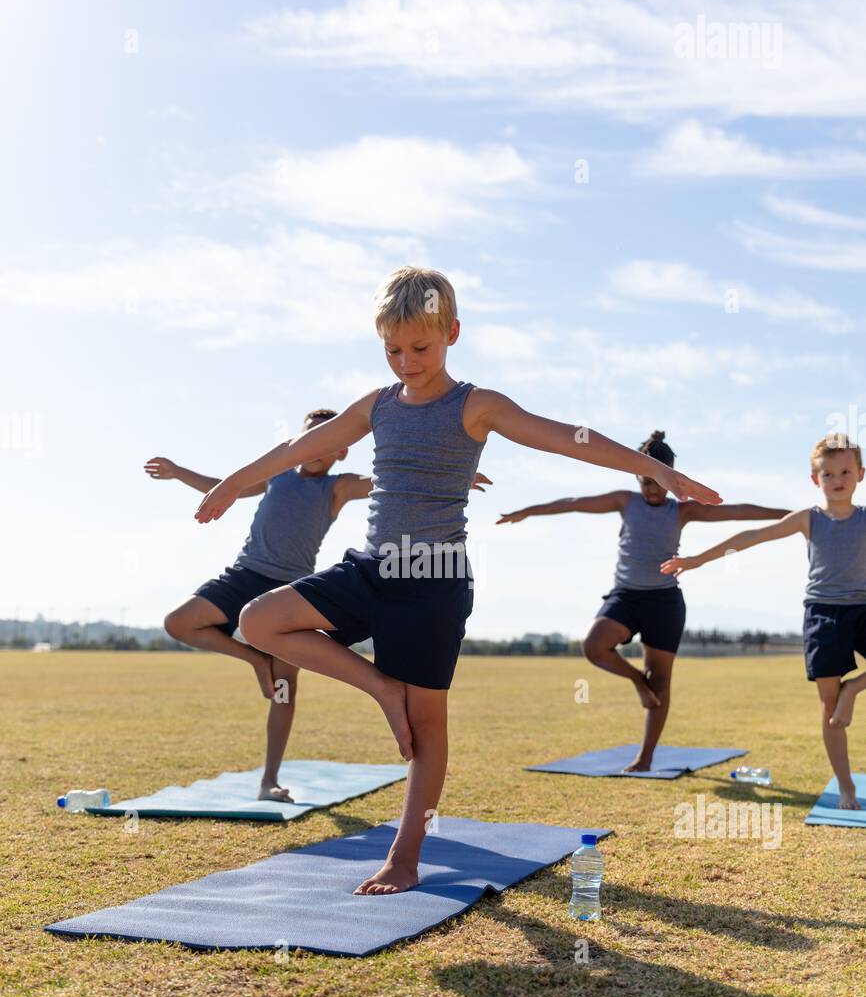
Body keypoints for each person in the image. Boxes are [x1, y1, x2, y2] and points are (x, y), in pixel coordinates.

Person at [195, 267, 720, 892]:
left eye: (420, 347)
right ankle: (380, 689)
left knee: (428, 726)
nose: (406, 361)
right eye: (393, 349)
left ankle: (405, 856)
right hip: (373, 567)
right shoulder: (377, 406)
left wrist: (663, 475)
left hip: (434, 580)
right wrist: (230, 482)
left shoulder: (476, 405)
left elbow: (571, 440)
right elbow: (296, 447)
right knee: (260, 620)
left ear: (452, 333)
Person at [497, 431, 788, 771]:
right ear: (636, 476)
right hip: (626, 597)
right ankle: (638, 681)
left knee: (661, 682)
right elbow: (572, 503)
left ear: (672, 478)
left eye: (658, 482)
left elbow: (739, 512)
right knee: (594, 646)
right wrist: (528, 511)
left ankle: (645, 758)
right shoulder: (625, 502)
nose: (652, 489)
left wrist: (796, 514)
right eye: (645, 481)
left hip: (664, 602)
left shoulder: (682, 511)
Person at [145, 408, 370, 802]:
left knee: (284, 690)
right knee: (179, 622)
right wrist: (179, 471)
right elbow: (226, 485)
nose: (317, 446)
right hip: (244, 575)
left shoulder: (338, 487)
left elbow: (385, 482)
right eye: (310, 437)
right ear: (298, 443)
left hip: (289, 592)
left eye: (328, 440)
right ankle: (255, 659)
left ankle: (269, 780)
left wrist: (452, 478)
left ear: (341, 451)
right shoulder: (276, 475)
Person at [662, 435, 866, 810]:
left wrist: (853, 690)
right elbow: (752, 536)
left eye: (846, 472)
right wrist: (697, 560)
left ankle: (853, 691)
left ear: (860, 474)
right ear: (814, 479)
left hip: (863, 609)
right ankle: (846, 786)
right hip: (823, 612)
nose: (838, 479)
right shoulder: (810, 519)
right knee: (828, 707)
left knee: (843, 695)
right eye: (828, 473)